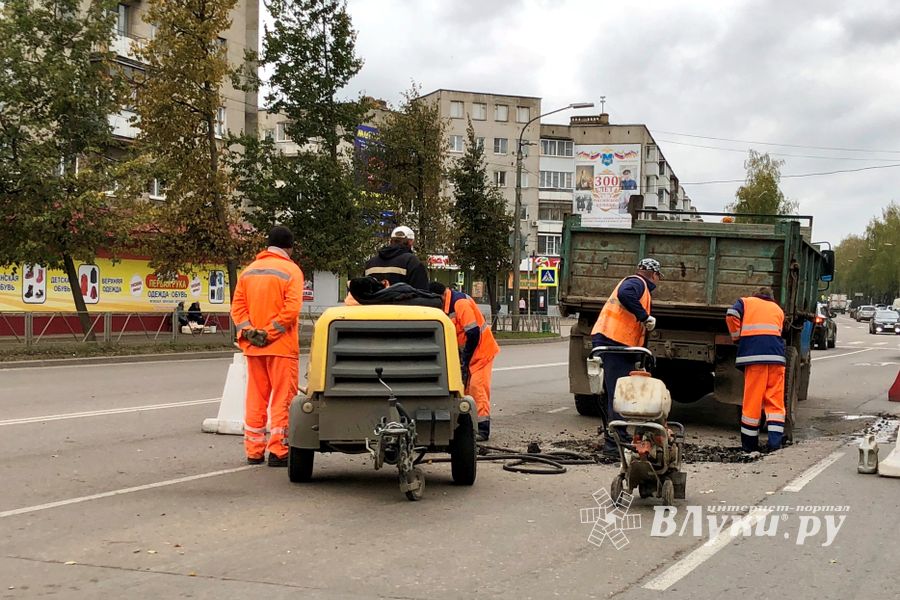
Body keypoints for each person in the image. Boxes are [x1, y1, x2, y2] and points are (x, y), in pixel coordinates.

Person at [230, 226, 305, 467]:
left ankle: (253, 450)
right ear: (289, 247)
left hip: (253, 347)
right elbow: (291, 310)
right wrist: (270, 333)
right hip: (281, 347)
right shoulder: (291, 270)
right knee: (283, 398)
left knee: (255, 397)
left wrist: (250, 332)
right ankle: (279, 451)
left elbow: (237, 309)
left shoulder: (248, 272)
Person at [591, 258, 662, 454]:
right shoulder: (637, 283)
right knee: (617, 393)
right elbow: (625, 294)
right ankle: (614, 443)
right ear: (654, 275)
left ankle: (616, 438)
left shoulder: (638, 284)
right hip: (613, 342)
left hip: (614, 342)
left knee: (616, 392)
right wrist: (644, 316)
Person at [429, 281, 499, 441]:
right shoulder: (444, 307)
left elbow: (473, 333)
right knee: (464, 391)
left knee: (477, 388)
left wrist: (465, 359)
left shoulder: (460, 303)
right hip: (468, 353)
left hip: (481, 352)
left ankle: (482, 429)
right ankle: (467, 427)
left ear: (441, 296)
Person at [725, 286, 786, 452]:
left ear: (756, 295)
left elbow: (731, 315)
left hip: (754, 358)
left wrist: (737, 336)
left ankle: (750, 445)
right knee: (775, 402)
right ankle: (775, 444)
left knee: (752, 401)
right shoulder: (778, 310)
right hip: (777, 359)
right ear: (771, 298)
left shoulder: (745, 302)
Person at [364, 226, 428, 290]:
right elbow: (422, 293)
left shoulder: (370, 263)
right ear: (410, 242)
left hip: (374, 300)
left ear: (391, 241)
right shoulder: (411, 262)